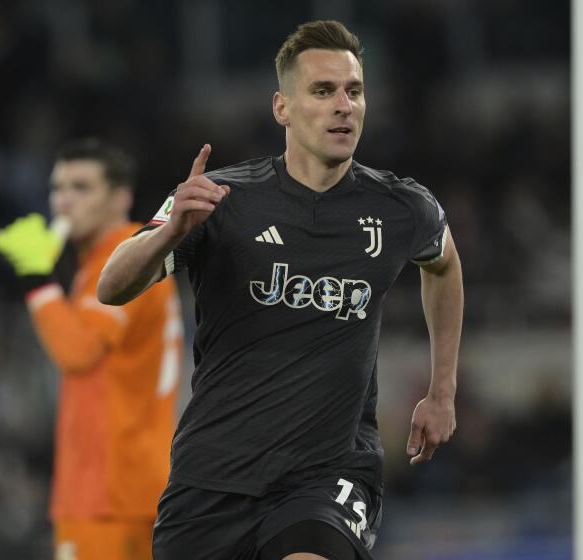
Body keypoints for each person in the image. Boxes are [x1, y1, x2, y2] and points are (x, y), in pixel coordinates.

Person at [98, 20, 463, 560]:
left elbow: (444, 265)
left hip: (328, 475)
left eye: (354, 91)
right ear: (282, 108)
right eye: (323, 91)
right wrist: (171, 229)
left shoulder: (400, 208)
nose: (344, 105)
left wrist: (442, 391)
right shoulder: (222, 199)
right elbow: (112, 285)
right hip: (212, 478)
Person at [0, 139, 183, 560]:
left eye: (81, 187)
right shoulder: (118, 261)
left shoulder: (120, 262)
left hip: (105, 489)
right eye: (57, 188)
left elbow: (77, 352)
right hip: (134, 482)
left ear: (120, 197)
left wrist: (36, 279)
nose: (64, 200)